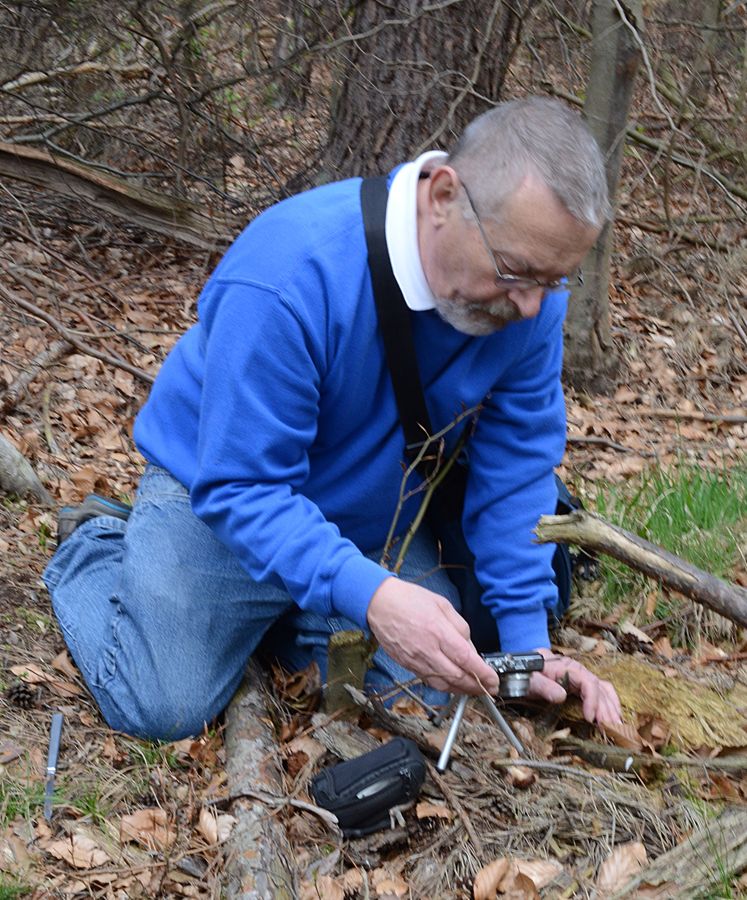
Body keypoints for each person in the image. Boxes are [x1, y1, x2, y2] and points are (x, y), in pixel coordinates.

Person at [44, 95, 622, 740]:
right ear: (443, 196)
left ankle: (276, 615)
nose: (532, 304)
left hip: (366, 518)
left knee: (423, 689)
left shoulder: (527, 302)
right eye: (516, 270)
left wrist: (526, 645)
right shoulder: (292, 272)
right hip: (220, 504)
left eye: (556, 280)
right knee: (164, 703)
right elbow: (241, 486)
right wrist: (373, 597)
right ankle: (100, 547)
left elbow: (517, 469)